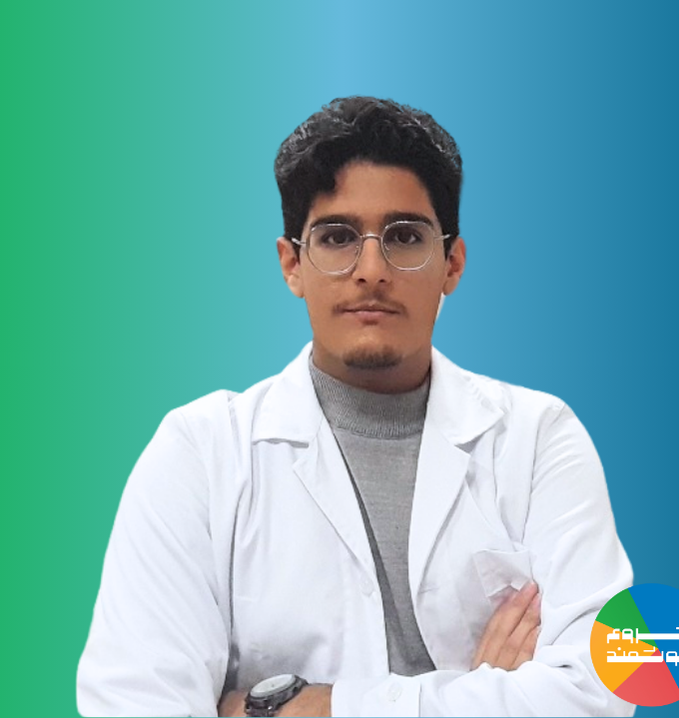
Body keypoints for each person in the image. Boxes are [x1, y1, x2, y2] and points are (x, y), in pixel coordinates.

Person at [77, 97, 634, 717]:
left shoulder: (538, 439)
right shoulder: (200, 455)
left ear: (452, 264)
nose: (371, 270)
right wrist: (479, 692)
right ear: (292, 264)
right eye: (338, 237)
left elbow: (602, 692)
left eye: (405, 236)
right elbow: (134, 704)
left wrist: (294, 708)